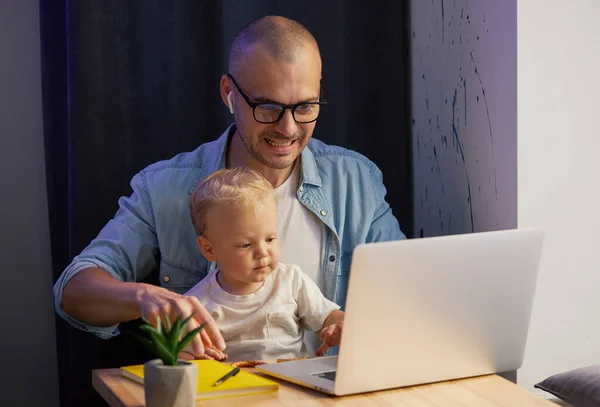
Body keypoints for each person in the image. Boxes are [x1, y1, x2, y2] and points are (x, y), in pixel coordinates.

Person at [53, 15, 405, 359]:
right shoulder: (162, 189)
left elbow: (408, 292)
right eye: (268, 107)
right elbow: (73, 292)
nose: (288, 128)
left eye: (305, 106)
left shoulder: (357, 181)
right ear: (229, 93)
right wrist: (144, 299)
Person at [184, 167, 344, 362]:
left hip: (292, 382)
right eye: (245, 244)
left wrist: (338, 327)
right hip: (235, 387)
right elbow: (183, 357)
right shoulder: (196, 304)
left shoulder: (291, 280)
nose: (262, 252)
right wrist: (195, 356)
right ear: (209, 249)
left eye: (270, 239)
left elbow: (327, 317)